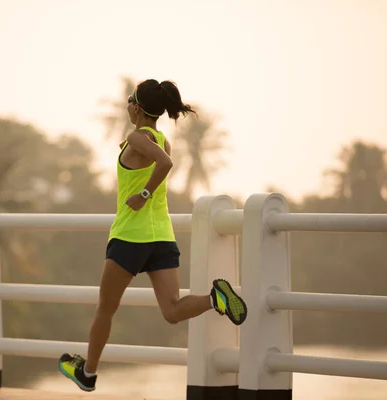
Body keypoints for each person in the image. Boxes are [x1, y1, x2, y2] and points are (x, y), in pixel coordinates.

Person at [58, 79, 247, 392]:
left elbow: (165, 163)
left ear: (137, 106)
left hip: (130, 237)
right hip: (161, 237)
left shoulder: (137, 137)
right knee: (172, 310)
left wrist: (143, 194)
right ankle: (216, 299)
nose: (126, 106)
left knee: (105, 309)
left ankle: (87, 373)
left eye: (129, 101)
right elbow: (161, 158)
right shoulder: (162, 140)